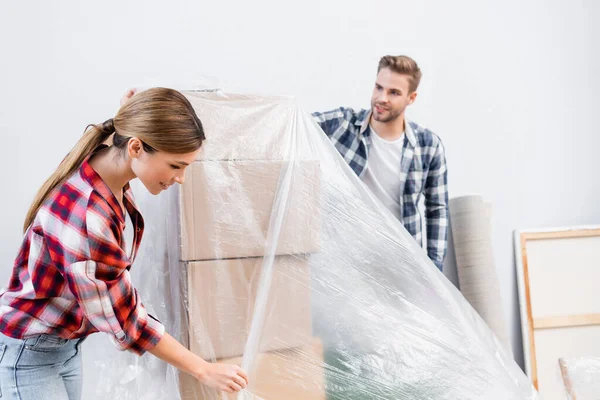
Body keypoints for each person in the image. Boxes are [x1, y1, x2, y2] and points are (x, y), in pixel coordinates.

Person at [0, 88, 248, 400]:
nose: (181, 178)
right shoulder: (89, 219)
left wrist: (131, 109)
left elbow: (122, 133)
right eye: (175, 165)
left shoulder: (105, 155)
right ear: (135, 147)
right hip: (30, 356)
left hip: (62, 349)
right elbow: (127, 320)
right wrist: (203, 369)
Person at [313, 55, 449, 271]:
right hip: (345, 261)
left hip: (400, 264)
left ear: (411, 98)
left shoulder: (428, 146)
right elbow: (295, 124)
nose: (381, 98)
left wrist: (435, 271)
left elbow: (437, 210)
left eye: (393, 92)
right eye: (378, 88)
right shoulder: (342, 125)